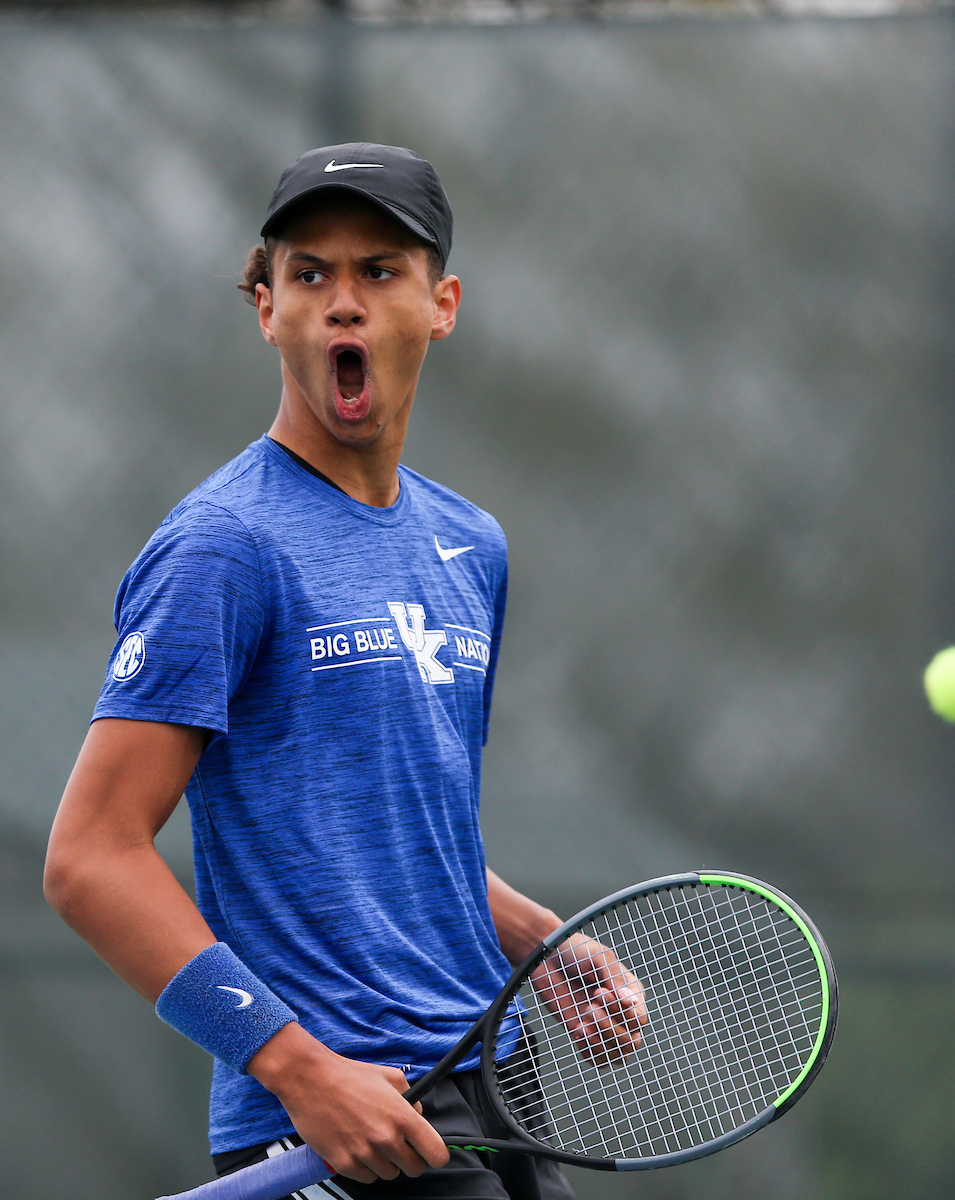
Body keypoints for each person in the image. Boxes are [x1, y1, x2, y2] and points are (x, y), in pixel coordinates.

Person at [44, 144, 645, 1200]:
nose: (342, 303)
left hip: (494, 1083)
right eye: (309, 274)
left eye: (378, 270)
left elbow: (393, 821)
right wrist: (298, 1069)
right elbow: (91, 857)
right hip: (337, 1118)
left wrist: (539, 941)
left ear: (442, 304)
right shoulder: (223, 547)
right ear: (265, 308)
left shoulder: (472, 543)